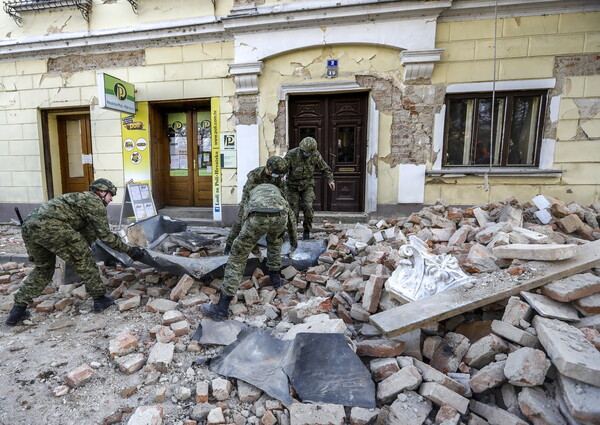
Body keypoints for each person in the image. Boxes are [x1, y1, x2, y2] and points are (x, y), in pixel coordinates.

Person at [5, 178, 145, 326]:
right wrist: (130, 251)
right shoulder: (95, 203)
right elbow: (106, 237)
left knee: (43, 268)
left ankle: (17, 311)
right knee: (85, 261)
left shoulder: (78, 199)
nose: (111, 199)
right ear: (102, 192)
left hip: (29, 227)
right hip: (53, 227)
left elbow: (87, 231)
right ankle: (100, 300)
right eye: (111, 195)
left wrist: (84, 246)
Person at [203, 183, 297, 321]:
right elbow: (292, 217)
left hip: (256, 216)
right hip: (280, 216)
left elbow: (241, 221)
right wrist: (294, 241)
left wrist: (232, 244)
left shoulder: (251, 192)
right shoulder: (278, 192)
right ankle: (275, 279)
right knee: (275, 243)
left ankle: (221, 308)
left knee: (237, 258)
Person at [223, 156, 289, 254]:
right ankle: (229, 246)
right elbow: (248, 196)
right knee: (240, 221)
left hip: (271, 200)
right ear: (269, 169)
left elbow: (282, 192)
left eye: (280, 174)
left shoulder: (278, 176)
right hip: (253, 198)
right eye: (276, 174)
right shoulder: (255, 176)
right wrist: (246, 211)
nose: (278, 176)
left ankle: (275, 246)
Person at [284, 136, 335, 240]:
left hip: (307, 185)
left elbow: (324, 168)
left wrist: (330, 180)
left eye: (311, 153)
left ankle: (306, 231)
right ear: (302, 149)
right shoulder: (291, 154)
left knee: (308, 208)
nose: (309, 154)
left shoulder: (315, 155)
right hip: (292, 186)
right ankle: (292, 233)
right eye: (307, 152)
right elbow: (283, 168)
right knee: (293, 211)